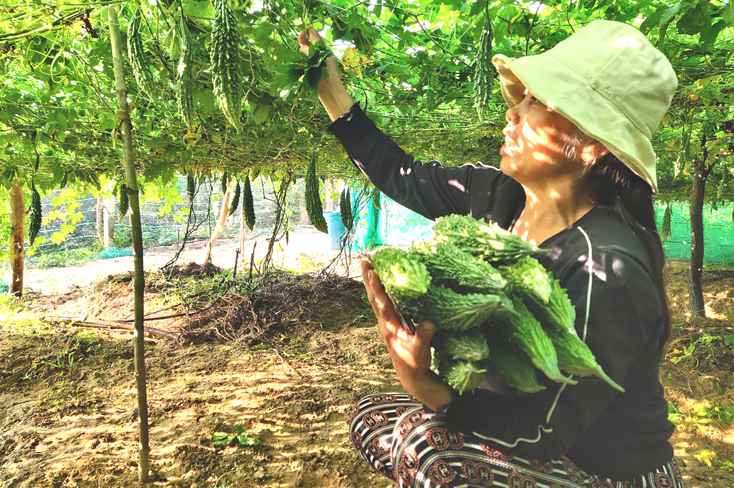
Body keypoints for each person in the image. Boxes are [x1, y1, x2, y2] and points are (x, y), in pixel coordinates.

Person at [299, 19, 683, 488]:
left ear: (592, 146)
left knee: (428, 452)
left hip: (598, 469)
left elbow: (542, 431)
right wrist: (332, 92)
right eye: (520, 99)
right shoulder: (498, 195)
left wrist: (425, 385)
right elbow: (402, 174)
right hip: (513, 420)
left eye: (537, 101)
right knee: (373, 418)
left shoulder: (606, 266)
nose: (513, 113)